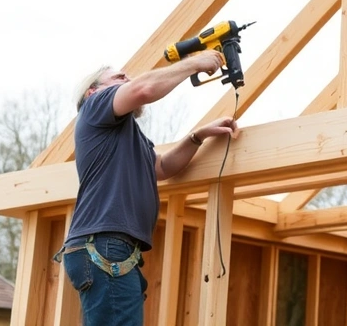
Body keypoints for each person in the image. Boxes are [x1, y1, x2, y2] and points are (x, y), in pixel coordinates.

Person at [58, 50, 240, 326]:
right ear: (94, 91)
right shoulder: (94, 108)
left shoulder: (128, 136)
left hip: (111, 247)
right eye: (119, 77)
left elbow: (163, 167)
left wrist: (197, 136)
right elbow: (143, 88)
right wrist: (194, 63)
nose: (127, 79)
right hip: (105, 244)